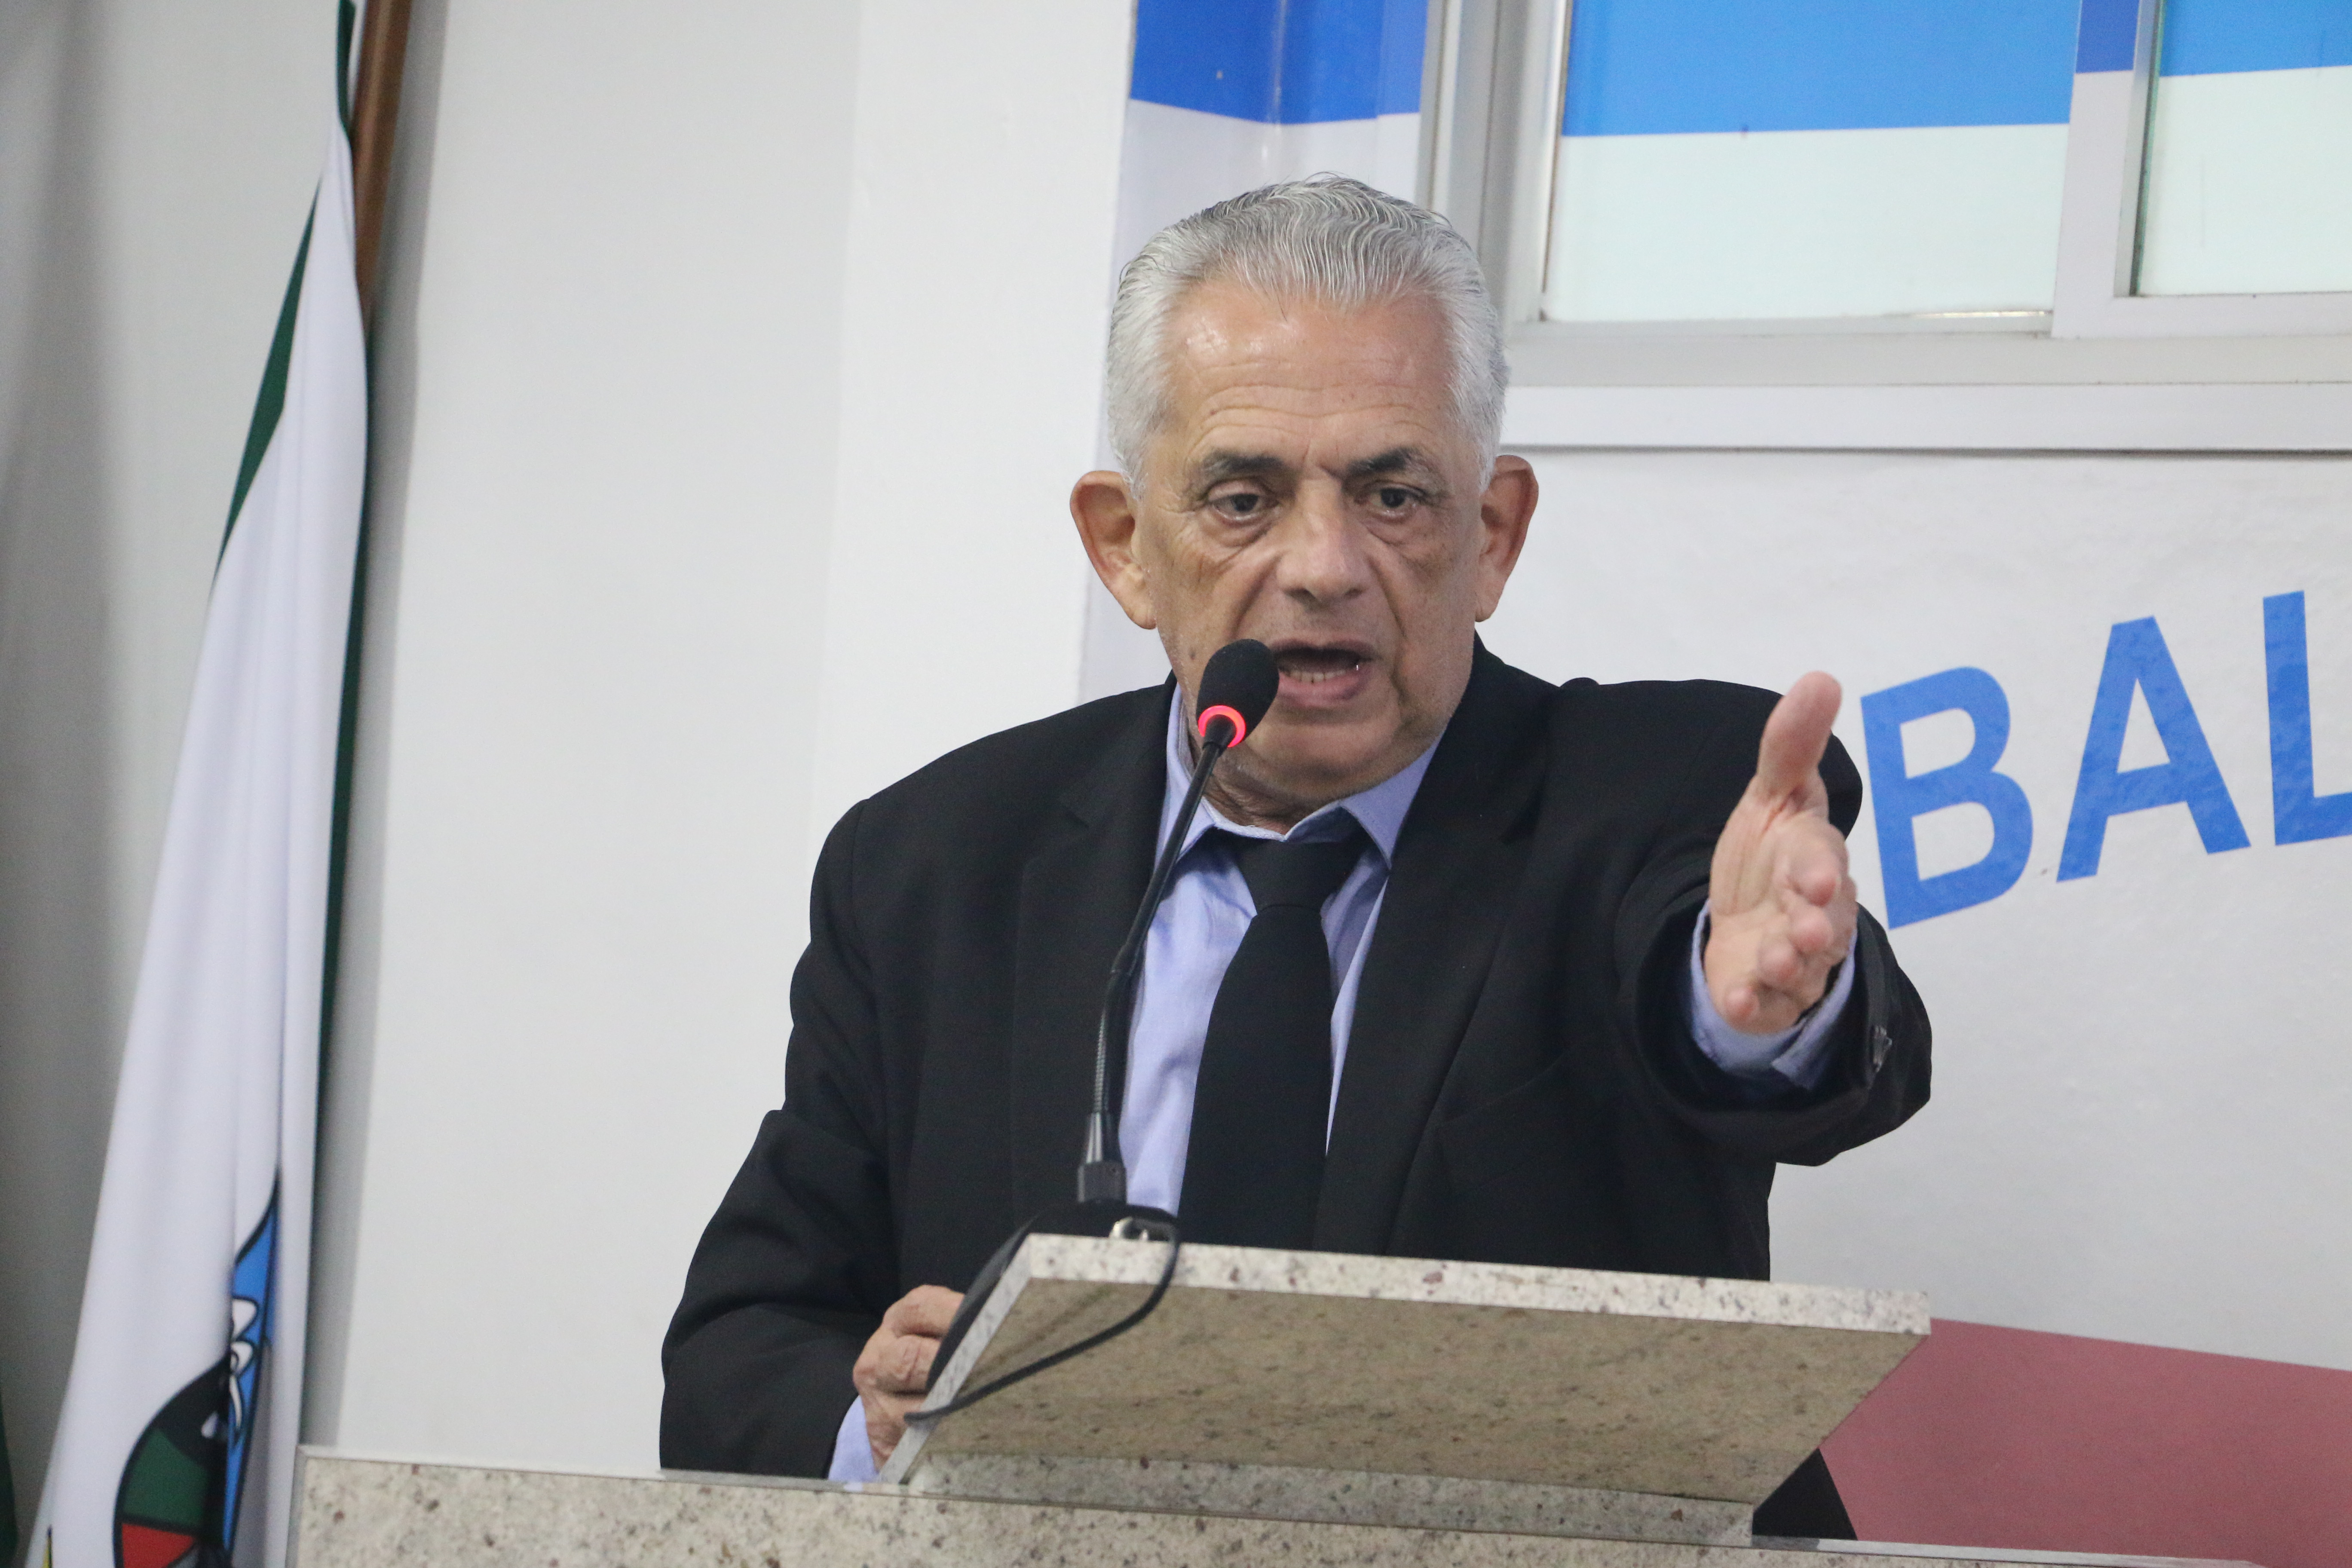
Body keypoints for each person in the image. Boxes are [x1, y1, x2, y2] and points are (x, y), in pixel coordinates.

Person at [660, 176, 1929, 1536]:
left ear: (1491, 535)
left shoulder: (1662, 794)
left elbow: (1759, 1018)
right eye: (1243, 498)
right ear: (1125, 548)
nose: (1324, 566)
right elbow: (741, 1353)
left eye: (1393, 495)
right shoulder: (936, 865)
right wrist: (881, 1427)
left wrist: (1754, 1010)